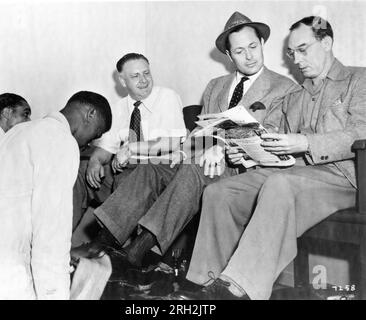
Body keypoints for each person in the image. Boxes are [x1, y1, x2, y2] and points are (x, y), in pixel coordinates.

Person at [73, 12, 298, 269]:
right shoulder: (216, 86)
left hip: (243, 169)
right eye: (239, 51)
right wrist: (185, 149)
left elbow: (271, 137)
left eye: (253, 47)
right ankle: (105, 241)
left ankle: (139, 252)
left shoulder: (284, 88)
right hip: (199, 161)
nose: (249, 56)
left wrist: (222, 147)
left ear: (262, 44)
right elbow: (199, 134)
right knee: (151, 169)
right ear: (229, 55)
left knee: (192, 169)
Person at [173, 16, 366, 300]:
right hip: (296, 173)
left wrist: (304, 142)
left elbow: (361, 131)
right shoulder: (296, 96)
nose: (296, 60)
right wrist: (245, 151)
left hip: (344, 177)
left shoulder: (358, 79)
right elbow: (275, 140)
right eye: (292, 52)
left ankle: (240, 290)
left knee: (279, 185)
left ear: (326, 43)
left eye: (303, 49)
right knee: (220, 192)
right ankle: (205, 286)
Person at [0, 91, 112, 299]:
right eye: (95, 134)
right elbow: (50, 237)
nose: (88, 143)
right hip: (4, 272)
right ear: (90, 113)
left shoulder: (20, 131)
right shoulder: (60, 140)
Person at [72, 53, 186, 231]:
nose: (143, 80)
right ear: (123, 81)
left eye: (146, 73)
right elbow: (106, 148)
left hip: (159, 169)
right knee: (82, 170)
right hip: (125, 169)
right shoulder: (118, 108)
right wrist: (95, 160)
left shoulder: (167, 97)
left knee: (127, 178)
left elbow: (171, 143)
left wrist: (130, 149)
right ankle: (61, 241)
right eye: (135, 76)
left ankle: (110, 247)